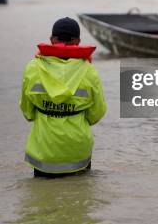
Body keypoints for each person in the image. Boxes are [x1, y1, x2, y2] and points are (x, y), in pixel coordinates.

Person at [20, 17, 107, 178]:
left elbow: (27, 112)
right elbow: (97, 113)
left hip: (44, 150)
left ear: (52, 39)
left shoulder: (33, 68)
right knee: (80, 199)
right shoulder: (89, 71)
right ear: (78, 41)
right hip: (77, 150)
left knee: (42, 200)